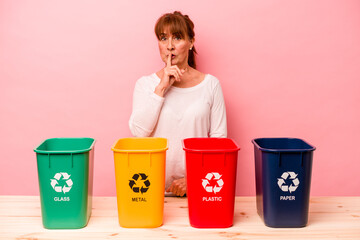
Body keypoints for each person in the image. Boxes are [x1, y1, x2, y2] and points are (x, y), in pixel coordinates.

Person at [129, 11, 227, 197]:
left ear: (191, 42)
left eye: (178, 37)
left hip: (200, 189)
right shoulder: (146, 85)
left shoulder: (211, 85)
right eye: (163, 38)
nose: (170, 46)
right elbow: (139, 132)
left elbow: (219, 144)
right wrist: (161, 88)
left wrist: (195, 179)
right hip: (150, 190)